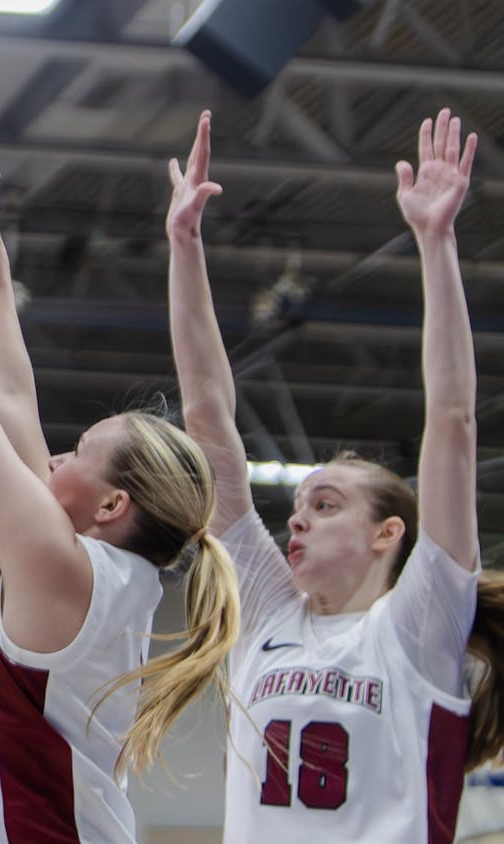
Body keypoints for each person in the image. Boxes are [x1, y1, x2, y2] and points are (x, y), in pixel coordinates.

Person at [0, 129, 240, 842]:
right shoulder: (83, 569)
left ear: (112, 506)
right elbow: (8, 397)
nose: (51, 459)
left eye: (75, 453)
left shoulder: (65, 569)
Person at [166, 108, 504, 841]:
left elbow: (451, 418)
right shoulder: (268, 618)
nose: (297, 519)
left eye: (325, 504)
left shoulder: (418, 624)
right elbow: (206, 416)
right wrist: (184, 247)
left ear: (389, 533)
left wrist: (436, 241)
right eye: (300, 506)